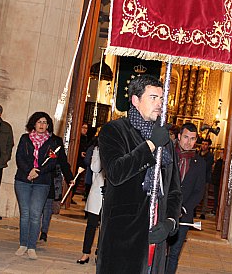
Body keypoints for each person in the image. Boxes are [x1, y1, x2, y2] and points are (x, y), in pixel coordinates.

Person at [97, 74, 182, 273]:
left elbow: (174, 189)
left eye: (162, 98)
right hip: (124, 233)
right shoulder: (114, 131)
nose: (160, 103)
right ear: (135, 100)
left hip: (157, 231)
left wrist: (170, 222)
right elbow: (116, 172)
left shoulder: (166, 140)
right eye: (153, 97)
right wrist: (151, 145)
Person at [14, 111, 63, 260]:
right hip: (23, 179)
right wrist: (29, 170)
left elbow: (53, 162)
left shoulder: (53, 142)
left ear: (48, 125)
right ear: (33, 124)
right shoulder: (25, 138)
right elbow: (19, 157)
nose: (42, 125)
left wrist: (38, 171)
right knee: (25, 214)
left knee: (36, 214)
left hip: (42, 182)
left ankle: (31, 246)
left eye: (44, 123)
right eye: (39, 122)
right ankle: (23, 243)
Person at [165, 123, 206, 274]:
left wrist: (183, 208)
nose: (188, 142)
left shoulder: (200, 163)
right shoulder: (167, 155)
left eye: (193, 139)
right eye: (186, 137)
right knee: (159, 250)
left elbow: (199, 191)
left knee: (174, 253)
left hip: (184, 215)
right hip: (164, 210)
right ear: (179, 136)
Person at [77, 136, 103, 264]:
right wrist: (99, 151)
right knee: (91, 225)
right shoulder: (97, 150)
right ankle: (86, 253)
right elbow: (95, 168)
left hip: (112, 192)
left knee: (105, 226)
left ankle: (101, 253)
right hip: (98, 190)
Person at [197, 137, 214, 219]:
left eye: (206, 144)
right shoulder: (198, 153)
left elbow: (206, 166)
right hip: (197, 177)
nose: (204, 146)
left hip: (205, 177)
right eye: (203, 144)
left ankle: (203, 212)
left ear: (208, 146)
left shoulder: (210, 155)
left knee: (205, 195)